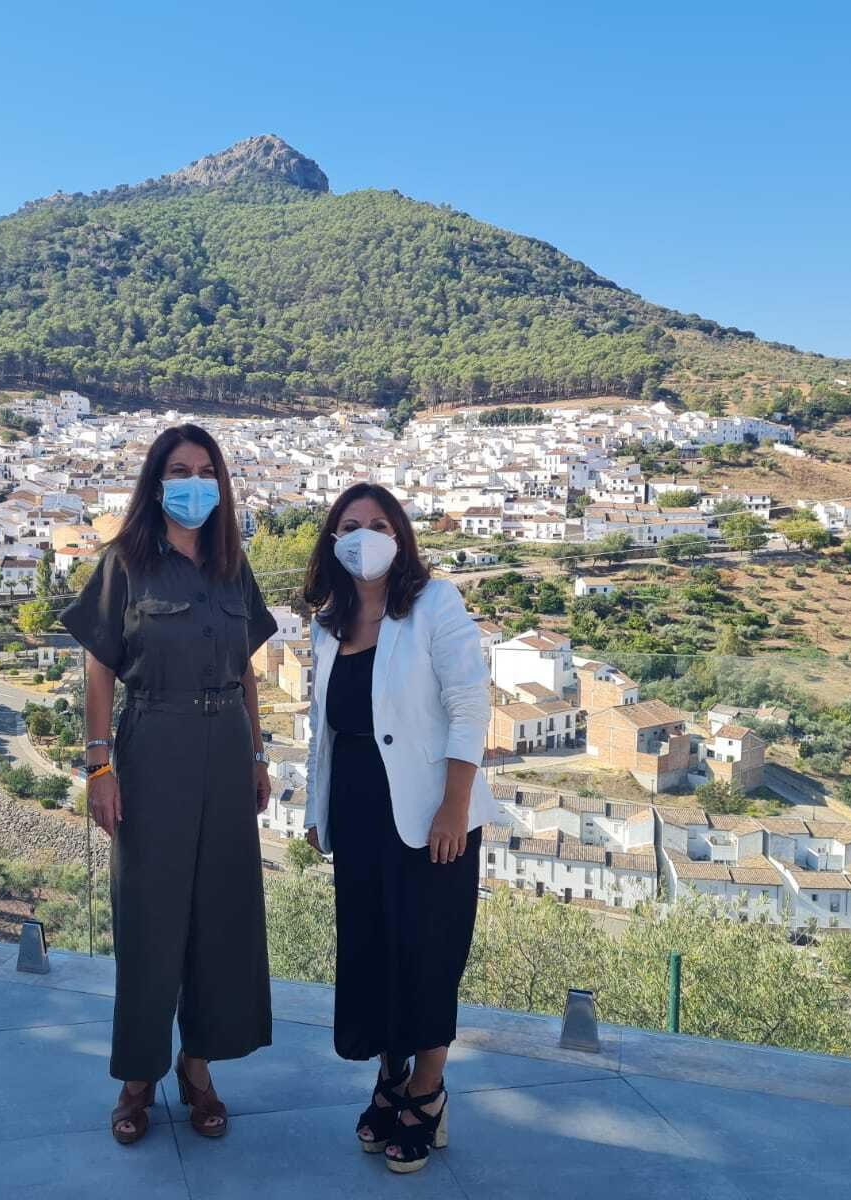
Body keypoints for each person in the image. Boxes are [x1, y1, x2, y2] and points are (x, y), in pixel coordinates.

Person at [61, 423, 278, 1145]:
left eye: (205, 470)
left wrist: (257, 755)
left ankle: (199, 1068)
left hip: (224, 746)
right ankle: (137, 1078)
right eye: (180, 469)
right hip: (152, 742)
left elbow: (248, 666)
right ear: (158, 482)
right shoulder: (126, 561)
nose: (194, 482)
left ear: (221, 483)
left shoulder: (230, 565)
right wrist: (98, 766)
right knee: (149, 918)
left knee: (221, 915)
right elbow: (98, 665)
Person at [301, 482, 491, 1175]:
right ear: (332, 540)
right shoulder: (328, 624)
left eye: (378, 523)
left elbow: (471, 704)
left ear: (401, 535)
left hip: (430, 812)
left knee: (429, 952)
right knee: (374, 951)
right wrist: (315, 811)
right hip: (355, 814)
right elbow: (324, 731)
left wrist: (455, 806)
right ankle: (390, 1075)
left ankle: (428, 1089)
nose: (364, 535)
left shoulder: (436, 604)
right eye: (349, 525)